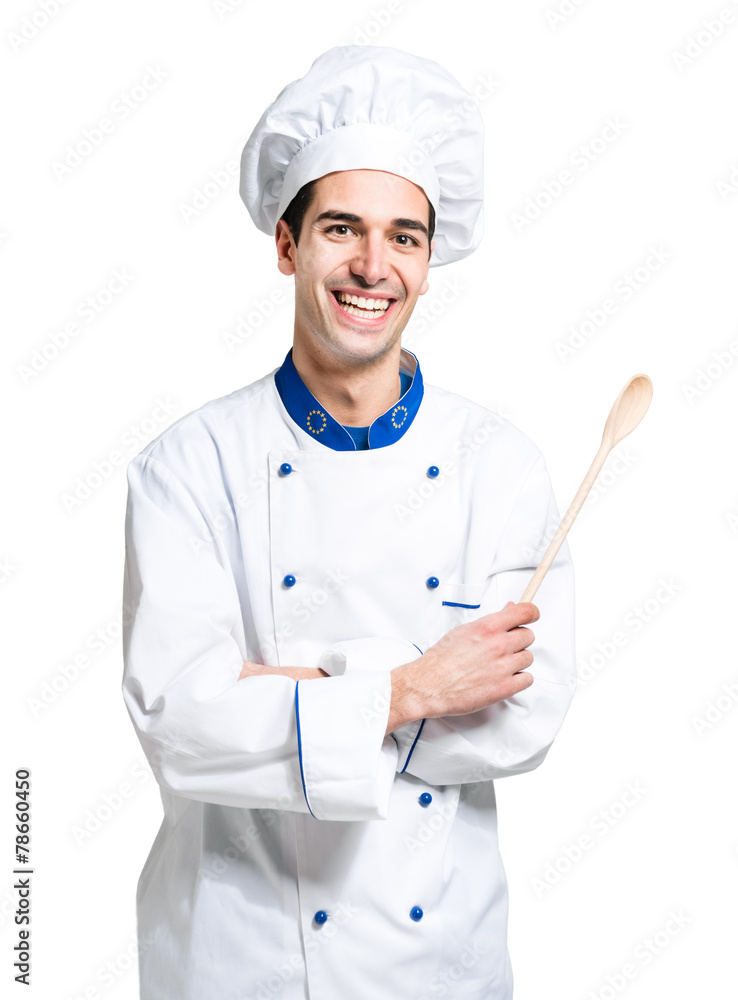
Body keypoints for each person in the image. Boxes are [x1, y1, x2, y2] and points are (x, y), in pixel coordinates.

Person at [121, 45, 576, 1000]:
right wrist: (412, 686)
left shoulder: (500, 467)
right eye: (341, 229)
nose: (373, 266)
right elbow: (180, 723)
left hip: (437, 959)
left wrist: (286, 693)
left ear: (428, 262)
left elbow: (523, 719)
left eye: (404, 237)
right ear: (287, 246)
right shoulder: (188, 467)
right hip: (235, 954)